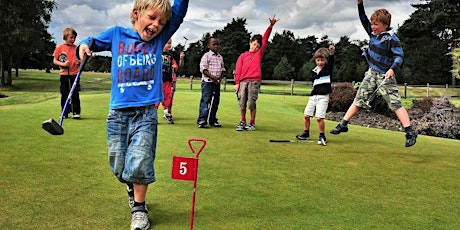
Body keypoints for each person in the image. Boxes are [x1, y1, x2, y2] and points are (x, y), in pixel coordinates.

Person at [77, 0, 188, 229]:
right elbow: (92, 42)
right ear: (136, 13)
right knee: (118, 164)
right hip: (118, 113)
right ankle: (131, 185)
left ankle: (139, 207)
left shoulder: (158, 39)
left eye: (161, 22)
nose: (156, 25)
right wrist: (84, 45)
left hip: (146, 113)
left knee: (140, 160)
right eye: (152, 18)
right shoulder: (117, 34)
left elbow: (177, 13)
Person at [330, 0, 417, 147]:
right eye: (372, 24)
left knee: (395, 104)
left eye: (376, 24)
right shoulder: (372, 33)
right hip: (371, 73)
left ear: (385, 25)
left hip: (385, 75)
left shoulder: (392, 38)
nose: (372, 26)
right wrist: (360, 4)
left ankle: (409, 131)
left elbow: (399, 56)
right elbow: (362, 17)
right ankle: (343, 124)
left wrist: (392, 69)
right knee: (359, 99)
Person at [234, 16, 279, 131]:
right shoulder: (242, 56)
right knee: (242, 103)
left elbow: (264, 40)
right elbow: (238, 70)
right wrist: (237, 83)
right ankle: (242, 121)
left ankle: (252, 123)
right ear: (250, 43)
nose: (255, 47)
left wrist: (270, 27)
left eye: (258, 46)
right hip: (243, 81)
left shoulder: (258, 54)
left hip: (254, 81)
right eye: (254, 44)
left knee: (251, 103)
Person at [296, 45, 335, 146]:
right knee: (306, 116)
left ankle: (322, 135)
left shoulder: (327, 70)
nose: (320, 63)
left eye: (322, 60)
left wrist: (331, 54)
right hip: (313, 96)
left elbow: (331, 62)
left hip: (323, 97)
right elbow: (314, 77)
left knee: (319, 118)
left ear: (326, 61)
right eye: (318, 60)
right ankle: (306, 133)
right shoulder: (314, 71)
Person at [53, 27, 81, 119]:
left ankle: (76, 112)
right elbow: (55, 60)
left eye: (74, 38)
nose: (73, 40)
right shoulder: (59, 47)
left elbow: (82, 59)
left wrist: (79, 62)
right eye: (71, 38)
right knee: (64, 94)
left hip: (75, 74)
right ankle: (64, 112)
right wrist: (63, 64)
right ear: (65, 37)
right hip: (64, 74)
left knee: (75, 94)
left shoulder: (76, 48)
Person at [197, 37, 225, 128]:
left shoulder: (220, 57)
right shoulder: (207, 56)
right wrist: (212, 77)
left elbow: (222, 69)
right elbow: (203, 69)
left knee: (215, 102)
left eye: (217, 44)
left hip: (216, 82)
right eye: (214, 44)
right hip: (207, 82)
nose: (216, 46)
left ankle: (212, 119)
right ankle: (202, 120)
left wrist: (219, 78)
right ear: (209, 45)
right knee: (205, 101)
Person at [157, 39, 184, 124]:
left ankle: (167, 113)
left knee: (168, 97)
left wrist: (175, 65)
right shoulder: (157, 53)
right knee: (156, 99)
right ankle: (153, 116)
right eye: (168, 43)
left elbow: (176, 66)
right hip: (158, 81)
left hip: (168, 81)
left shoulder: (170, 56)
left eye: (170, 43)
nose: (170, 45)